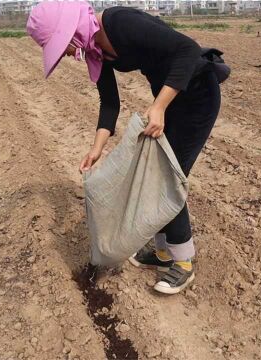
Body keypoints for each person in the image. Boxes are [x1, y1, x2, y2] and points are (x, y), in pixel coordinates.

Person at [27, 2, 222, 294]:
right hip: (170, 100)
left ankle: (183, 264)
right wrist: (96, 148)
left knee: (166, 175)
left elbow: (188, 49)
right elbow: (110, 103)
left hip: (197, 96)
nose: (66, 53)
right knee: (151, 172)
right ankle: (163, 253)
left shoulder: (119, 22)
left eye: (61, 45)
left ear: (69, 31)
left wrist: (158, 107)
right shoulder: (97, 49)